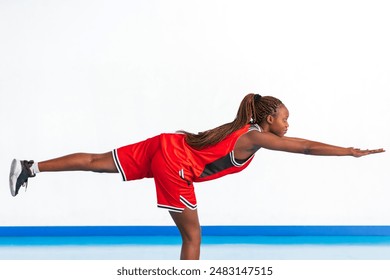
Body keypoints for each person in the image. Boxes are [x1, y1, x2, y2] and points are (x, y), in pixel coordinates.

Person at [9, 93, 384, 260]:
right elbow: (304, 148)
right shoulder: (254, 136)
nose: (289, 123)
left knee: (96, 160)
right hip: (174, 166)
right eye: (285, 118)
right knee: (193, 236)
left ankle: (30, 167)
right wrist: (349, 151)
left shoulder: (238, 129)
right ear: (269, 119)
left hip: (165, 144)